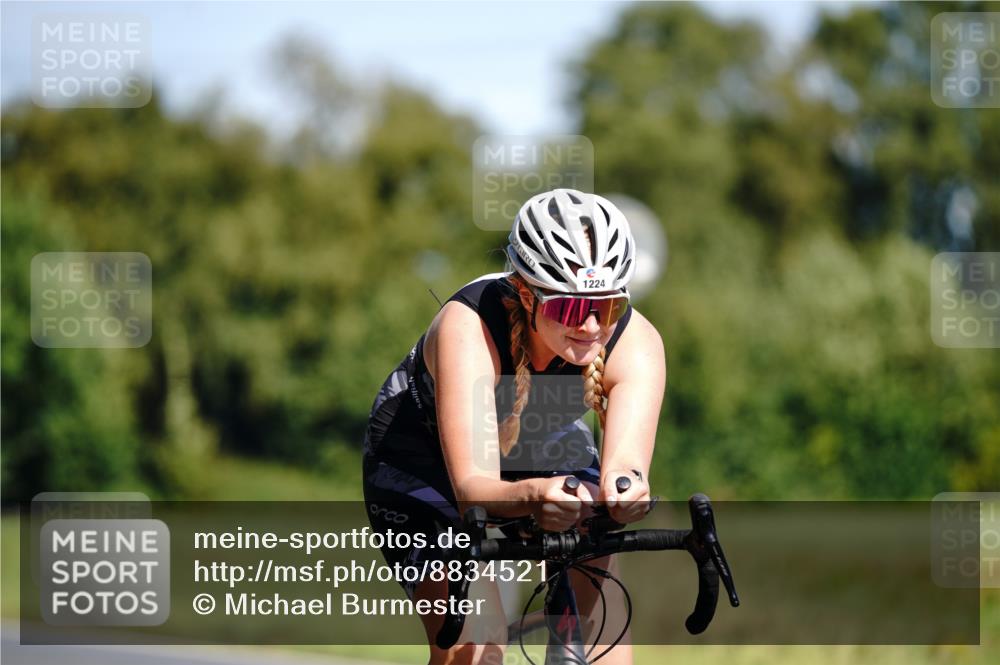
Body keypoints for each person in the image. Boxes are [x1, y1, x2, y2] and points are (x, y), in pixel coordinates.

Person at [361, 188, 666, 665]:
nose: (589, 326)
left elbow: (625, 471)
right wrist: (533, 496)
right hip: (425, 462)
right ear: (527, 294)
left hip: (543, 449)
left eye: (605, 306)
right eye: (568, 308)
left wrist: (625, 494)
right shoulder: (467, 326)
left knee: (601, 642)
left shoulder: (637, 342)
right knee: (477, 646)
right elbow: (472, 487)